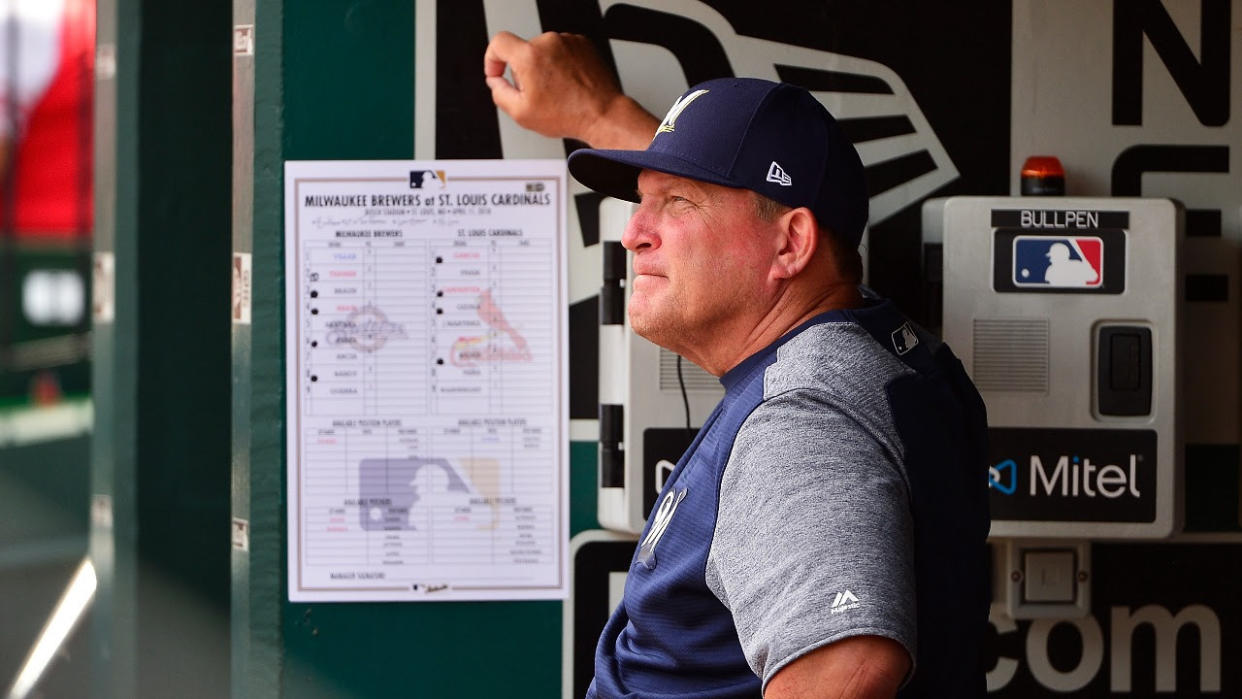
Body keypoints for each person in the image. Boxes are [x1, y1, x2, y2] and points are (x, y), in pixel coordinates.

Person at [486, 32, 990, 699]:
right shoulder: (865, 343)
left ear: (792, 245)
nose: (633, 230)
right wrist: (599, 114)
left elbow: (852, 670)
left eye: (676, 202)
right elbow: (776, 232)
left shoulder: (803, 416)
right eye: (643, 199)